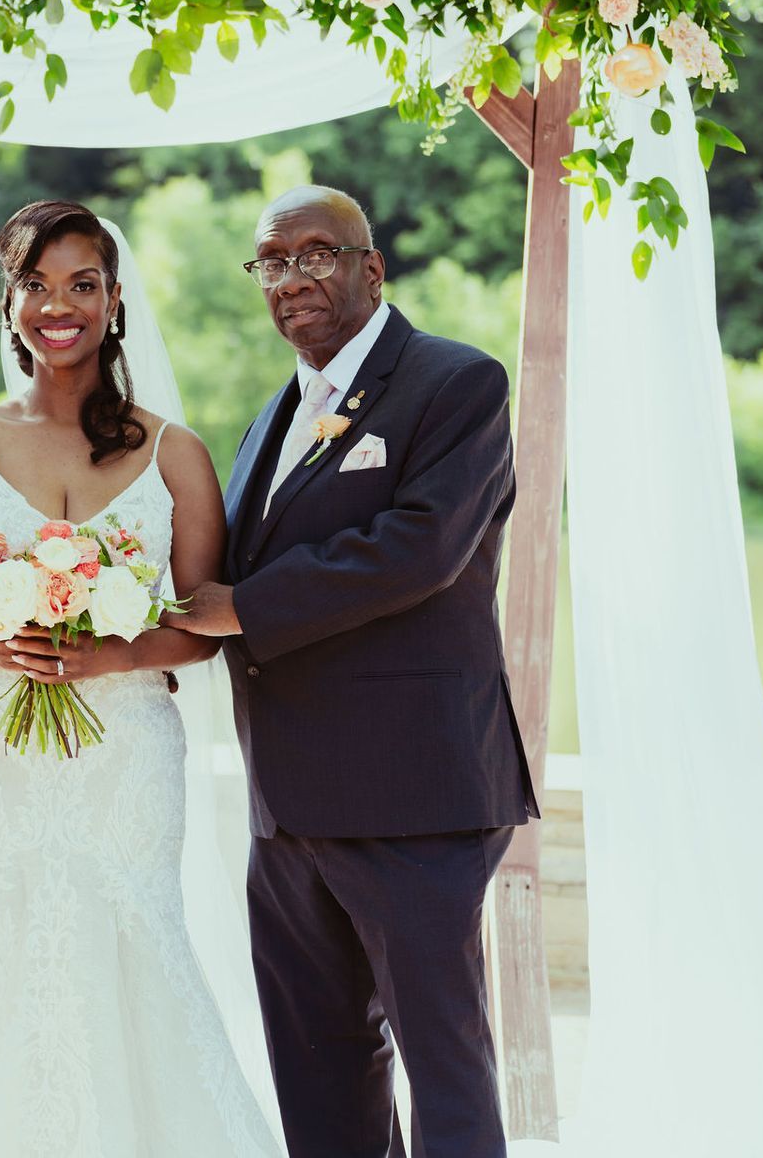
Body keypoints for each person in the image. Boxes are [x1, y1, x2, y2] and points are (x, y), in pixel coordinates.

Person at [0, 200, 283, 1156]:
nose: (58, 306)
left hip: (125, 751)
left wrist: (112, 650)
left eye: (82, 285)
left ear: (116, 303)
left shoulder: (176, 455)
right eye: (36, 285)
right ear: (10, 301)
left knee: (130, 937)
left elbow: (201, 624)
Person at [169, 185, 538, 1158]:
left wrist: (246, 606)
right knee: (321, 1072)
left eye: (317, 254)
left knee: (446, 1068)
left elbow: (418, 548)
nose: (292, 278)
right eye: (272, 261)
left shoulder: (457, 385)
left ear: (371, 269)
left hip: (412, 797)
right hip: (286, 807)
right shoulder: (268, 420)